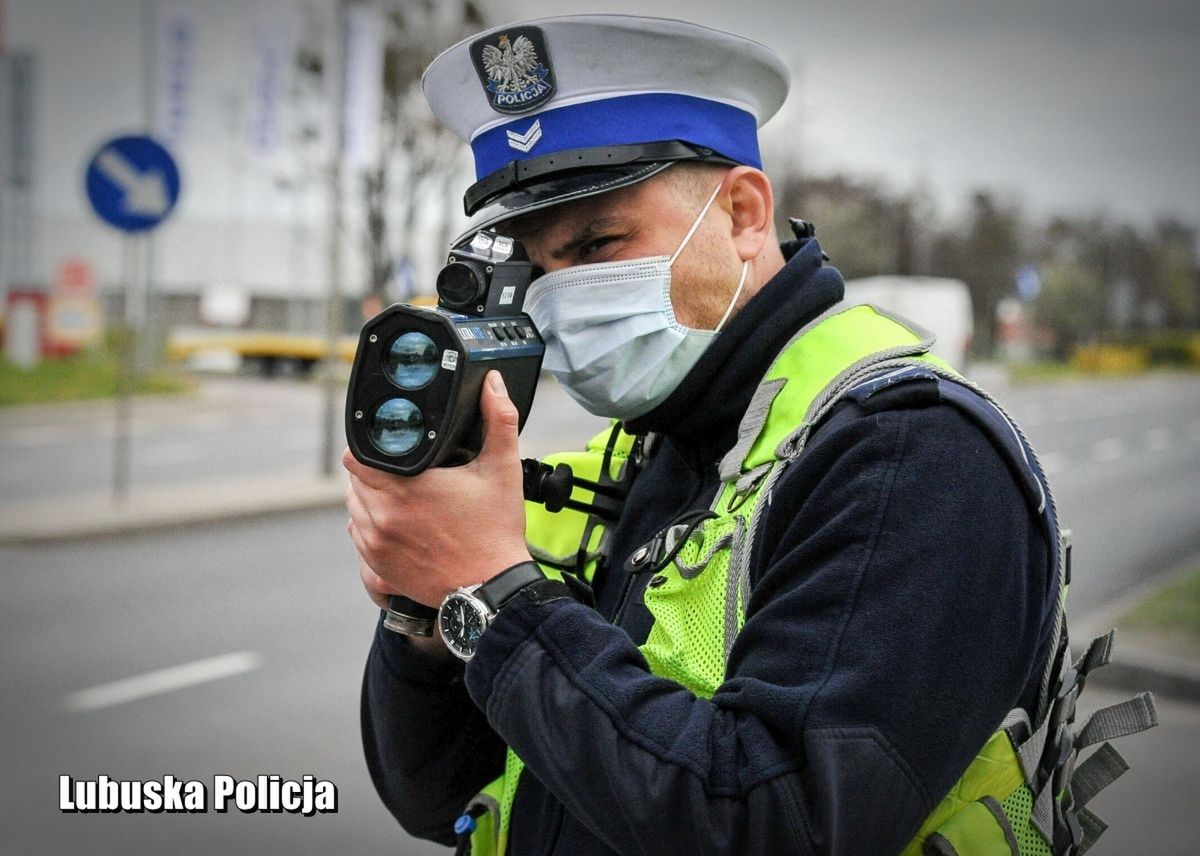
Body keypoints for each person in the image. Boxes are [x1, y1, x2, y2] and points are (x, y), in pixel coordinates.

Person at [344, 14, 1152, 856]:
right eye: (537, 268)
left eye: (597, 244)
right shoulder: (645, 454)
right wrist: (428, 616)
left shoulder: (909, 455)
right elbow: (438, 796)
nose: (561, 297)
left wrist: (502, 597)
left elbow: (778, 826)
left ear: (741, 213)